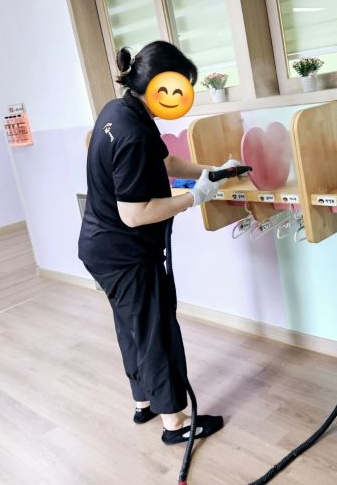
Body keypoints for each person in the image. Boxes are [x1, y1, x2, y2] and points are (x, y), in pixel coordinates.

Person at [78, 41, 230, 445]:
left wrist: (212, 172)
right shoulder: (132, 133)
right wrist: (193, 198)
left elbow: (166, 163)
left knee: (133, 327)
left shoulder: (121, 110)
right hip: (124, 253)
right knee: (155, 332)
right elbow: (134, 213)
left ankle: (144, 401)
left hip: (101, 246)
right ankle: (175, 424)